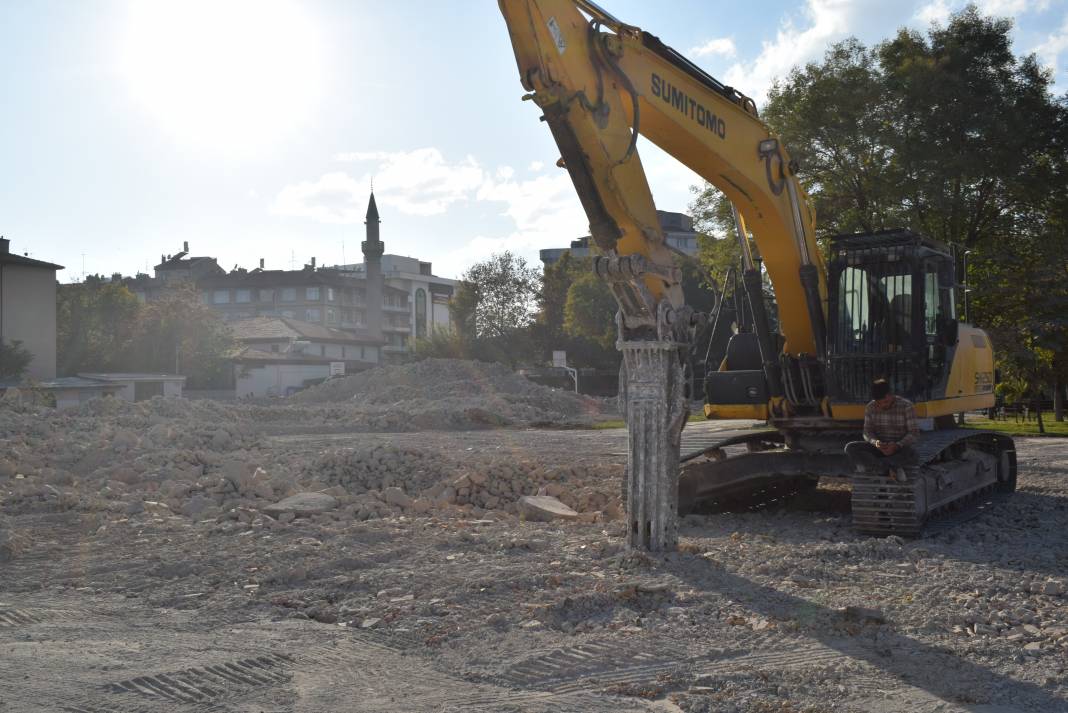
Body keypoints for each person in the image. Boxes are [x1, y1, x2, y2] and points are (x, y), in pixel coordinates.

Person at [845, 379, 919, 482]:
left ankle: (879, 467)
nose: (883, 406)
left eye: (885, 402)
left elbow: (914, 433)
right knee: (850, 447)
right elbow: (867, 432)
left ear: (890, 395)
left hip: (899, 448)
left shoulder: (907, 406)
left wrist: (897, 445)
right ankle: (890, 466)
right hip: (879, 448)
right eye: (879, 403)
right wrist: (876, 443)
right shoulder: (870, 407)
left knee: (911, 453)